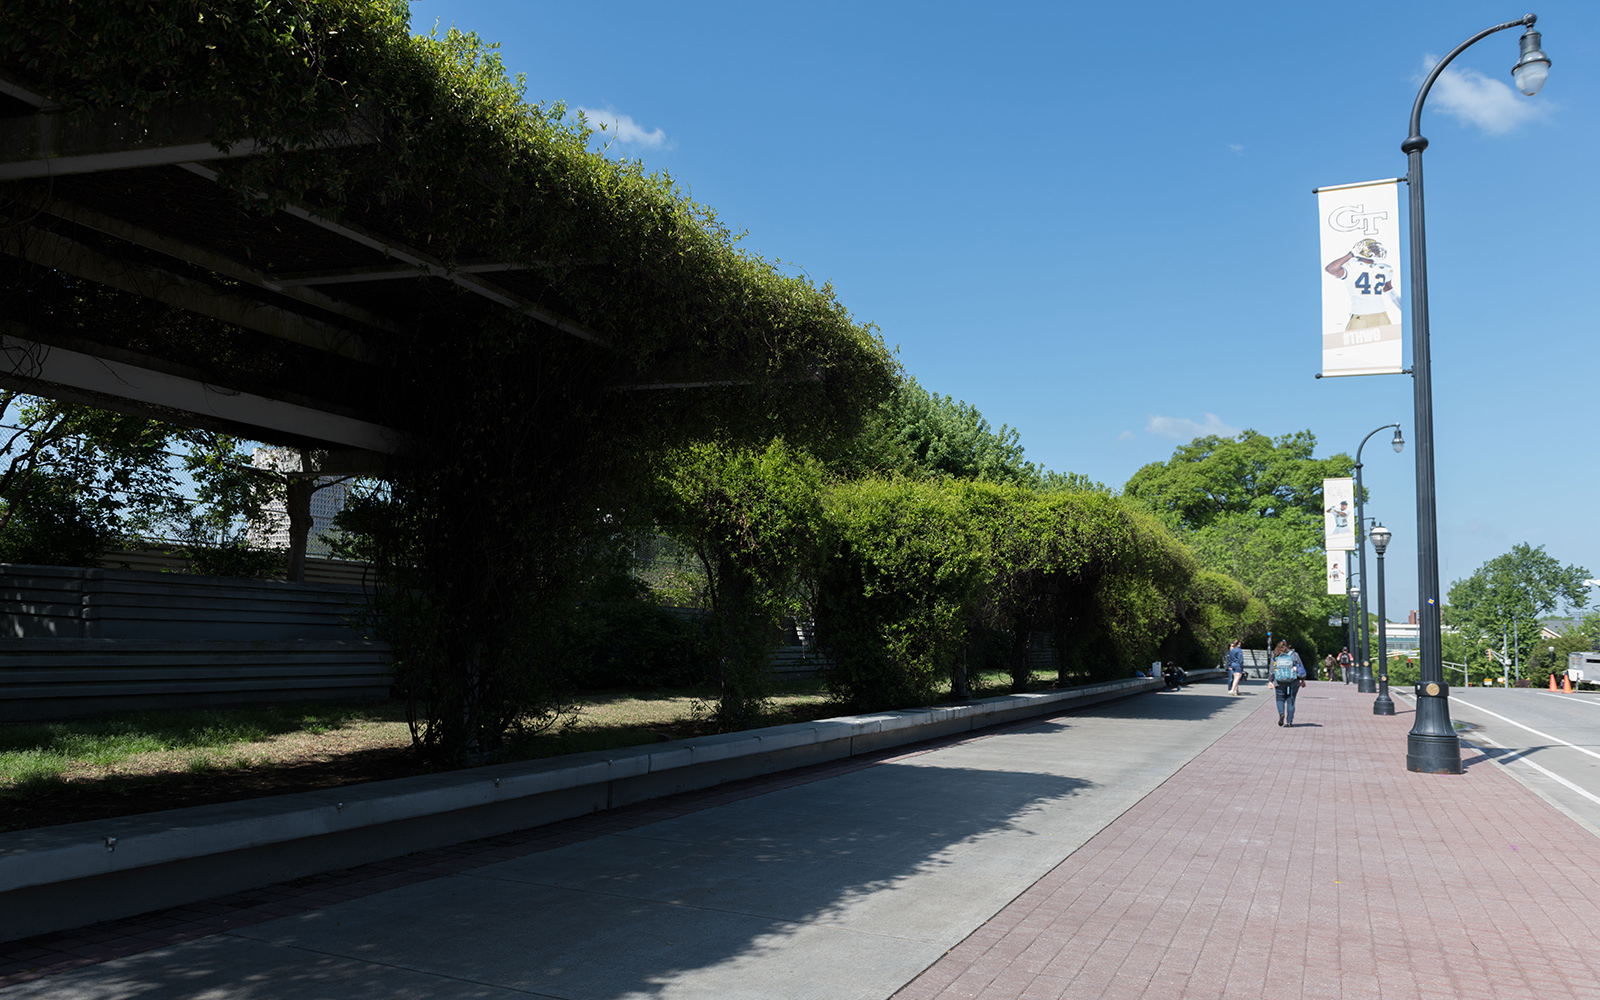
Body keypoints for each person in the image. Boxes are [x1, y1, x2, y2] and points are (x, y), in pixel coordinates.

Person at [1270, 641, 1307, 727]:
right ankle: (1289, 722)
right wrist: (1302, 680)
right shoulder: (1294, 654)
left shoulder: (1276, 655)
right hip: (1293, 681)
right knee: (1291, 700)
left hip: (1279, 680)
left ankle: (1281, 714)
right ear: (1289, 646)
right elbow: (1300, 668)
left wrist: (1270, 681)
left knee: (1280, 699)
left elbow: (1272, 669)